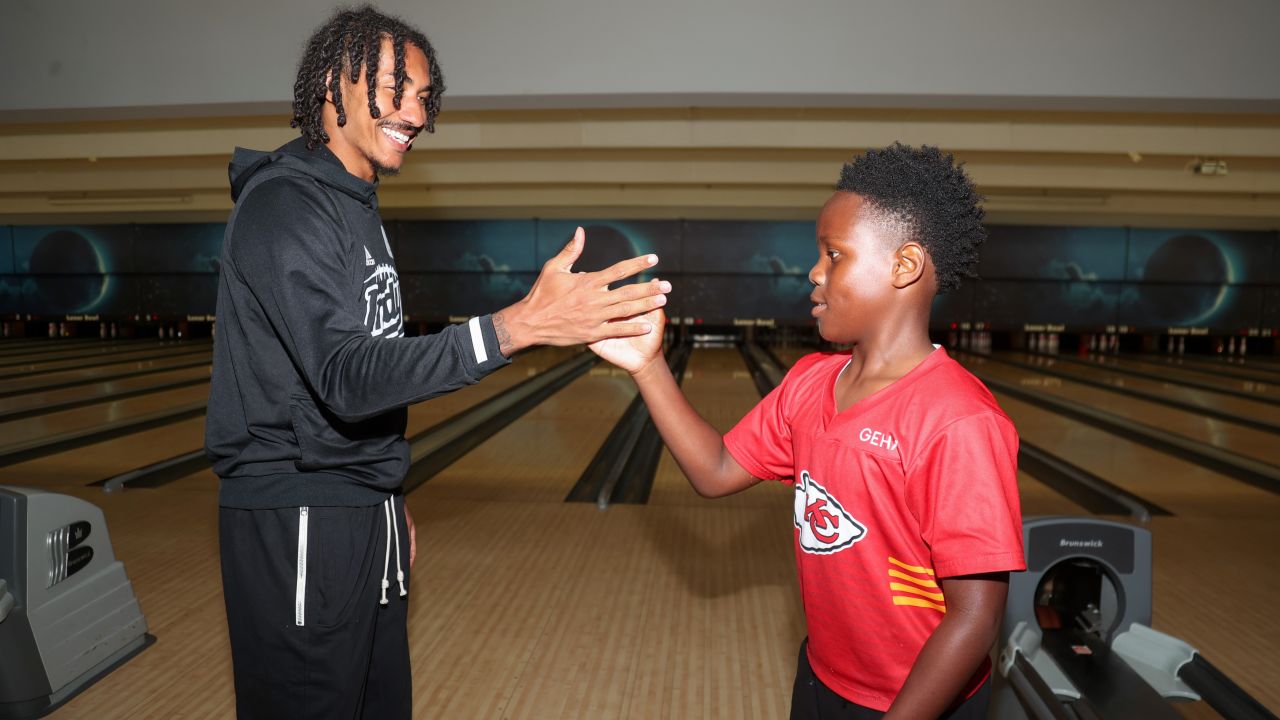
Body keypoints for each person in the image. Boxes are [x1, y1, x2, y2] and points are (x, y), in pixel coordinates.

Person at [205, 6, 670, 718]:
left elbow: (367, 372)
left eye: (425, 96)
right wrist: (515, 327)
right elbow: (344, 377)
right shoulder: (284, 208)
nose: (416, 112)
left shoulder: (352, 205)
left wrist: (387, 494)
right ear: (333, 84)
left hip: (359, 511)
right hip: (300, 520)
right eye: (398, 87)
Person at [590, 143, 1024, 719]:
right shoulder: (809, 382)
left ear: (905, 265)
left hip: (921, 703)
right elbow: (716, 471)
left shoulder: (958, 420)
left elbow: (976, 620)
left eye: (834, 254)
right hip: (821, 678)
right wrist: (648, 366)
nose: (814, 272)